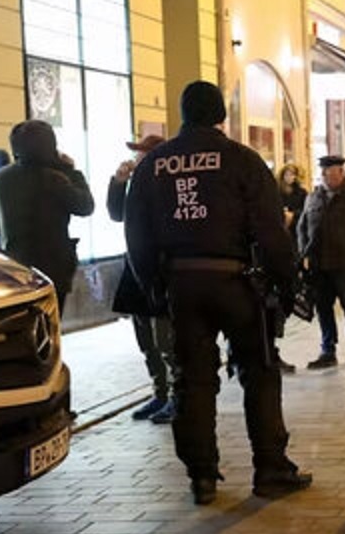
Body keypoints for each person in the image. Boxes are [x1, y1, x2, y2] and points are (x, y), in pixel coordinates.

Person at [124, 80, 311, 505]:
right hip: (236, 282)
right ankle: (270, 468)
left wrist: (153, 287)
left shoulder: (154, 165)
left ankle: (202, 476)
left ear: (183, 114)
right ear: (221, 115)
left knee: (192, 380)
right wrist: (287, 283)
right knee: (259, 372)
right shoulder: (241, 159)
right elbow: (270, 229)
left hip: (181, 285)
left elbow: (136, 233)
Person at [0, 121, 95, 315]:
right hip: (55, 268)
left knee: (22, 323)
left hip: (15, 267)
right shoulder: (56, 178)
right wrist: (72, 171)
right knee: (50, 322)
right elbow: (85, 206)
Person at [109, 134, 180, 422]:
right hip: (135, 268)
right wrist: (118, 183)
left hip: (160, 269)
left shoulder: (168, 184)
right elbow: (116, 214)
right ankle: (159, 392)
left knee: (165, 340)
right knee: (145, 340)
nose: (136, 159)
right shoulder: (136, 183)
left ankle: (177, 397)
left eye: (142, 153)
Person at [299, 156, 345, 370]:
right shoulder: (314, 196)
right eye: (324, 173)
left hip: (344, 263)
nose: (326, 177)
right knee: (323, 308)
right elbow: (302, 227)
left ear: (341, 173)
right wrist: (304, 253)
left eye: (331, 172)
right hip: (319, 264)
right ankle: (328, 350)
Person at [278, 164, 308, 251]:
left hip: (297, 227)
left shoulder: (302, 192)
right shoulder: (277, 191)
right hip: (281, 227)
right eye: (287, 174)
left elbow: (306, 210)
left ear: (295, 176)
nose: (289, 177)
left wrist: (293, 214)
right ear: (283, 176)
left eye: (292, 174)